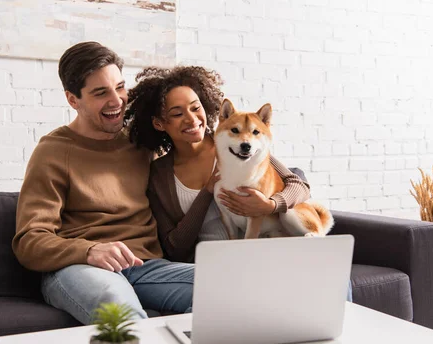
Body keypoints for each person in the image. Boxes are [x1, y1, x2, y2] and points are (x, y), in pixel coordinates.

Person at [12, 42, 195, 324]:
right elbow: (29, 241)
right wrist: (89, 250)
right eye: (101, 93)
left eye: (120, 87)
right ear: (73, 99)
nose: (117, 100)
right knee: (121, 313)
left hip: (146, 267)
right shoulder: (53, 151)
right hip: (79, 268)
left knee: (228, 288)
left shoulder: (141, 142)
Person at [125, 66, 311, 263]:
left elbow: (299, 186)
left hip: (257, 255)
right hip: (206, 265)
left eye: (196, 108)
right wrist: (207, 193)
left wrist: (270, 205)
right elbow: (174, 246)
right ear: (159, 123)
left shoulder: (235, 147)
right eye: (177, 114)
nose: (192, 118)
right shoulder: (159, 174)